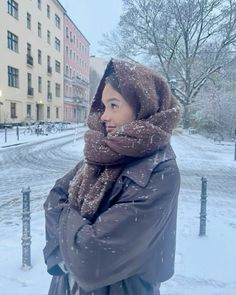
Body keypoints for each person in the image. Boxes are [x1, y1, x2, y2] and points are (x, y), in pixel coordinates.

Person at [43, 59, 181, 295]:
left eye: (114, 105)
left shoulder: (159, 171)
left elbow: (91, 258)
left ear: (143, 107)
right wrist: (71, 248)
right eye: (104, 106)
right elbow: (54, 197)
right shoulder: (102, 154)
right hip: (66, 287)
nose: (104, 116)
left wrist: (66, 217)